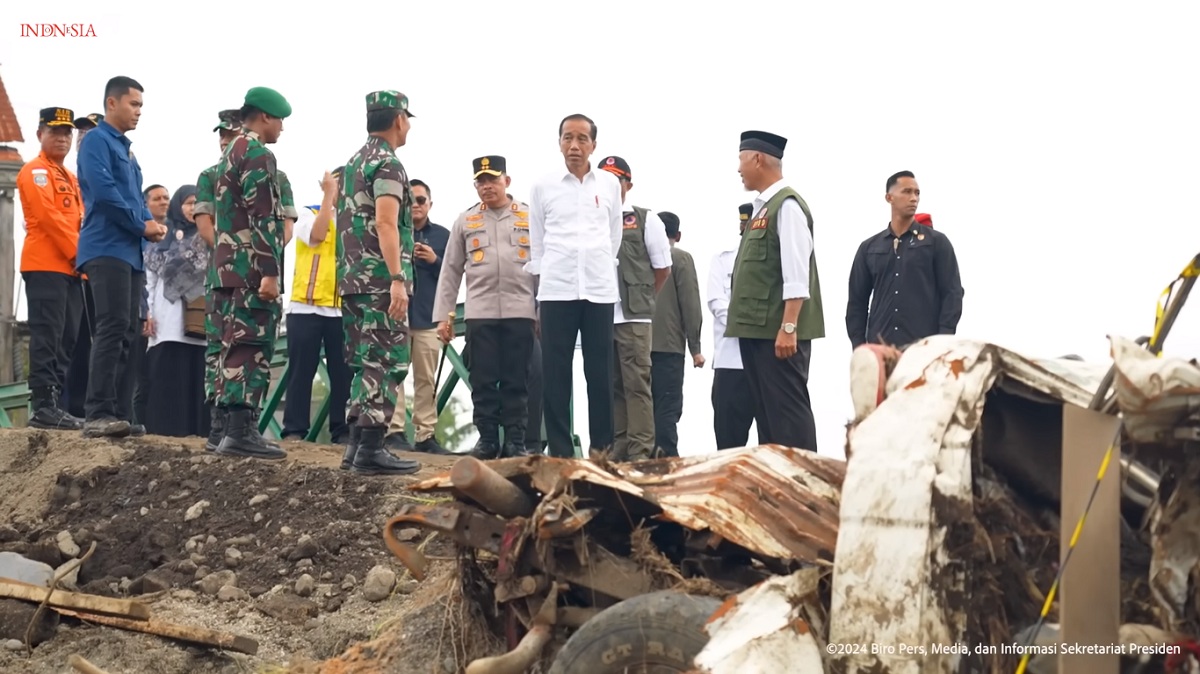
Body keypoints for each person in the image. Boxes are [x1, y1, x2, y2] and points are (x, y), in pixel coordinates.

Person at [336, 90, 421, 476]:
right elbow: (387, 223)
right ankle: (371, 448)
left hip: (352, 280)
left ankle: (356, 448)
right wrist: (397, 279)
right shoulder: (388, 165)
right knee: (385, 362)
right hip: (379, 282)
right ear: (399, 119)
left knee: (362, 362)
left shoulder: (354, 162)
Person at [527, 114, 622, 459]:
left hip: (598, 289)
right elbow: (537, 244)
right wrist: (540, 291)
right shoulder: (543, 187)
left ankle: (602, 451)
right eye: (568, 138)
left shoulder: (609, 186)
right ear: (559, 143)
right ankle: (561, 453)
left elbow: (614, 238)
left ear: (594, 145)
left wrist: (597, 266)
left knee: (599, 374)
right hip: (556, 290)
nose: (575, 146)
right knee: (556, 374)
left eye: (582, 139)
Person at [76, 76, 166, 439]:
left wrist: (146, 224)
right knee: (111, 327)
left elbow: (132, 198)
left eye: (141, 106)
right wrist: (142, 225)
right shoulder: (96, 141)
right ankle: (97, 411)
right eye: (133, 104)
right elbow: (106, 194)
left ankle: (120, 413)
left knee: (129, 332)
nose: (138, 112)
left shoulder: (128, 151)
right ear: (111, 104)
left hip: (130, 253)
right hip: (105, 248)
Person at [726, 130, 824, 451]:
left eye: (741, 160)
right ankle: (775, 489)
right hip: (757, 332)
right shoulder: (762, 208)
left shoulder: (787, 206)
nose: (738, 168)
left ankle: (806, 484)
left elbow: (797, 274)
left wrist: (789, 327)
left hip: (778, 334)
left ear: (757, 158)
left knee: (788, 417)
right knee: (768, 420)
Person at [434, 156, 537, 459]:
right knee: (483, 379)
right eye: (481, 181)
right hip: (481, 312)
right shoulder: (466, 221)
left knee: (518, 379)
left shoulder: (529, 217)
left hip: (521, 311)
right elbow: (451, 270)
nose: (487, 186)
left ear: (507, 181)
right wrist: (443, 316)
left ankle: (515, 441)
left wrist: (542, 310)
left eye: (492, 179)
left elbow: (544, 267)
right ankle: (488, 438)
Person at [211, 87, 292, 460]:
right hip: (252, 269)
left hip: (229, 267)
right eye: (279, 121)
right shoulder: (258, 153)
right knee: (251, 347)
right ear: (264, 117)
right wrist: (270, 273)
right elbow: (262, 216)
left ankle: (229, 431)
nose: (281, 129)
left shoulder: (231, 151)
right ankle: (242, 432)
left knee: (232, 345)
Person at [596, 155, 671, 461]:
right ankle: (620, 447)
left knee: (637, 384)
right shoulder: (591, 219)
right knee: (613, 385)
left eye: (618, 180)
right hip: (601, 314)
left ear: (628, 184)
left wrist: (642, 300)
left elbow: (662, 268)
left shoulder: (643, 219)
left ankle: (641, 450)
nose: (612, 187)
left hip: (633, 317)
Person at [17, 106, 85, 430]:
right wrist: (80, 253)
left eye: (66, 132)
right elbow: (49, 218)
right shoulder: (34, 171)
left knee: (67, 337)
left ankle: (55, 402)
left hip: (71, 269)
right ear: (39, 134)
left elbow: (80, 220)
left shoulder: (70, 177)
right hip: (46, 265)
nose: (62, 137)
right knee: (47, 333)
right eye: (55, 131)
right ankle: (43, 403)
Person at [846, 171, 963, 349]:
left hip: (924, 349)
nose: (913, 198)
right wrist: (860, 346)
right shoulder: (869, 248)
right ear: (889, 197)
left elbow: (952, 293)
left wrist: (942, 341)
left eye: (917, 193)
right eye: (907, 192)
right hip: (881, 349)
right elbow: (857, 302)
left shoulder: (936, 242)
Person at [281, 168, 352, 444]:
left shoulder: (354, 221)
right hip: (306, 306)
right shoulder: (308, 213)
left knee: (342, 372)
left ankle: (342, 429)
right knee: (302, 370)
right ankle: (295, 430)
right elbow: (318, 235)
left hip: (341, 308)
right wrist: (327, 199)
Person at [385, 178, 450, 454]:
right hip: (396, 315)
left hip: (427, 317)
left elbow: (454, 273)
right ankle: (393, 431)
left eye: (421, 200)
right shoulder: (393, 231)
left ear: (430, 204)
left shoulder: (443, 236)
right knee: (394, 375)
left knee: (426, 378)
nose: (416, 205)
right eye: (410, 200)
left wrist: (435, 260)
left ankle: (426, 435)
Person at [143, 185, 210, 437]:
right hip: (167, 318)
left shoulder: (209, 237)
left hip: (199, 317)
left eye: (197, 203)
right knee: (169, 376)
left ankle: (198, 431)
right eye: (189, 203)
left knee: (198, 375)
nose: (193, 208)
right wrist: (147, 312)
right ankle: (166, 430)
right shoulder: (162, 238)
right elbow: (149, 281)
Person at [193, 109, 242, 451]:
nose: (224, 140)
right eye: (220, 134)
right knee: (217, 348)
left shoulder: (274, 174)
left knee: (249, 347)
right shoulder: (208, 176)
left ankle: (241, 421)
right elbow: (205, 225)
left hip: (253, 277)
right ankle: (217, 425)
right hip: (220, 277)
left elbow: (282, 228)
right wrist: (232, 256)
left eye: (230, 133)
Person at [649, 211, 704, 457]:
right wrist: (696, 348)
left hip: (634, 345)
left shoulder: (640, 257)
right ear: (677, 235)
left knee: (639, 408)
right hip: (669, 347)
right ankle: (666, 462)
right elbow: (690, 303)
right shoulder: (681, 259)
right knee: (667, 410)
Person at [707, 204, 756, 449]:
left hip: (766, 362)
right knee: (728, 443)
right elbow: (717, 303)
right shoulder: (723, 260)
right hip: (731, 361)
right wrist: (750, 326)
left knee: (774, 441)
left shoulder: (778, 260)